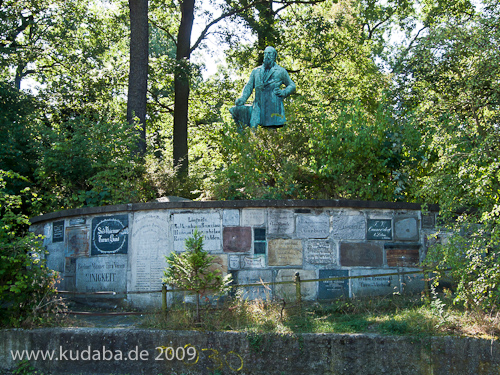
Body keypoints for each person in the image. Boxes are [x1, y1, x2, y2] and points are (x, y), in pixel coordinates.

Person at [230, 46, 296, 128]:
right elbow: (249, 86)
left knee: (271, 132)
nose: (267, 56)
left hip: (273, 106)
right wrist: (243, 98)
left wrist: (284, 92)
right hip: (258, 104)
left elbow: (292, 85)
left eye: (269, 53)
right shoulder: (256, 71)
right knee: (253, 127)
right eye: (265, 53)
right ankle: (248, 140)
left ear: (274, 56)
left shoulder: (281, 71)